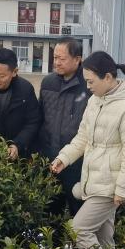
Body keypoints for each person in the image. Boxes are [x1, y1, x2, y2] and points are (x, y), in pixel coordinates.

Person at [50, 51, 125, 249]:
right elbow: (83, 137)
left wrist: (123, 189)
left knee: (79, 229)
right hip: (95, 181)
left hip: (110, 186)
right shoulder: (95, 101)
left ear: (108, 78)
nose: (88, 86)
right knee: (104, 238)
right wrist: (64, 157)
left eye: (91, 81)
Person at [38, 38, 89, 216]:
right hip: (50, 159)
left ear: (77, 59)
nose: (57, 63)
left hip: (77, 163)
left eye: (62, 59)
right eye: (55, 58)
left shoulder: (88, 85)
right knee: (50, 211)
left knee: (79, 212)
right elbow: (39, 118)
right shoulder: (48, 82)